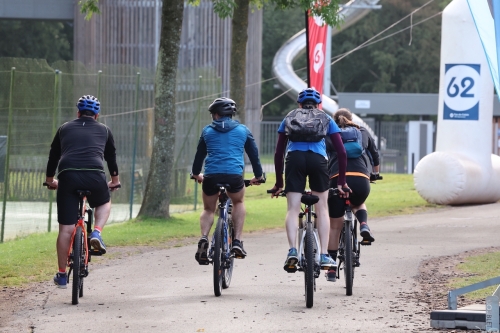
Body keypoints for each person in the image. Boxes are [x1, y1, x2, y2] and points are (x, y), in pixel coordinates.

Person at [269, 88, 349, 273]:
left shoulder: (289, 117)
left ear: (299, 104)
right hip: (318, 161)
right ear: (318, 104)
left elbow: (278, 152)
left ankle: (292, 251)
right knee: (322, 208)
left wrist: (279, 182)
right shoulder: (326, 118)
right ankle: (323, 254)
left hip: (294, 160)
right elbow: (341, 152)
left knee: (293, 209)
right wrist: (341, 181)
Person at [44, 95, 121, 289]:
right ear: (97, 115)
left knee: (66, 229)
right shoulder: (104, 130)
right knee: (104, 202)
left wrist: (50, 180)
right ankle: (96, 232)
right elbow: (111, 158)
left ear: (77, 113)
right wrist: (114, 181)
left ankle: (62, 276)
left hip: (67, 174)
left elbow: (53, 155)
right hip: (95, 174)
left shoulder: (64, 128)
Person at [191, 97, 264, 264]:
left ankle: (203, 238)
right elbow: (254, 156)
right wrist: (258, 176)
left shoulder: (207, 131)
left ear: (216, 114)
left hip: (211, 176)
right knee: (238, 202)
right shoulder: (243, 130)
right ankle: (237, 241)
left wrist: (196, 174)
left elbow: (199, 156)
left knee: (209, 209)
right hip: (234, 176)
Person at [326, 108, 380, 280]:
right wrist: (374, 173)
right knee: (358, 202)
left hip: (336, 179)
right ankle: (363, 224)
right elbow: (375, 154)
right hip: (360, 179)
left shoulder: (331, 134)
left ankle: (332, 268)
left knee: (335, 226)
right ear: (351, 119)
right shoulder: (362, 131)